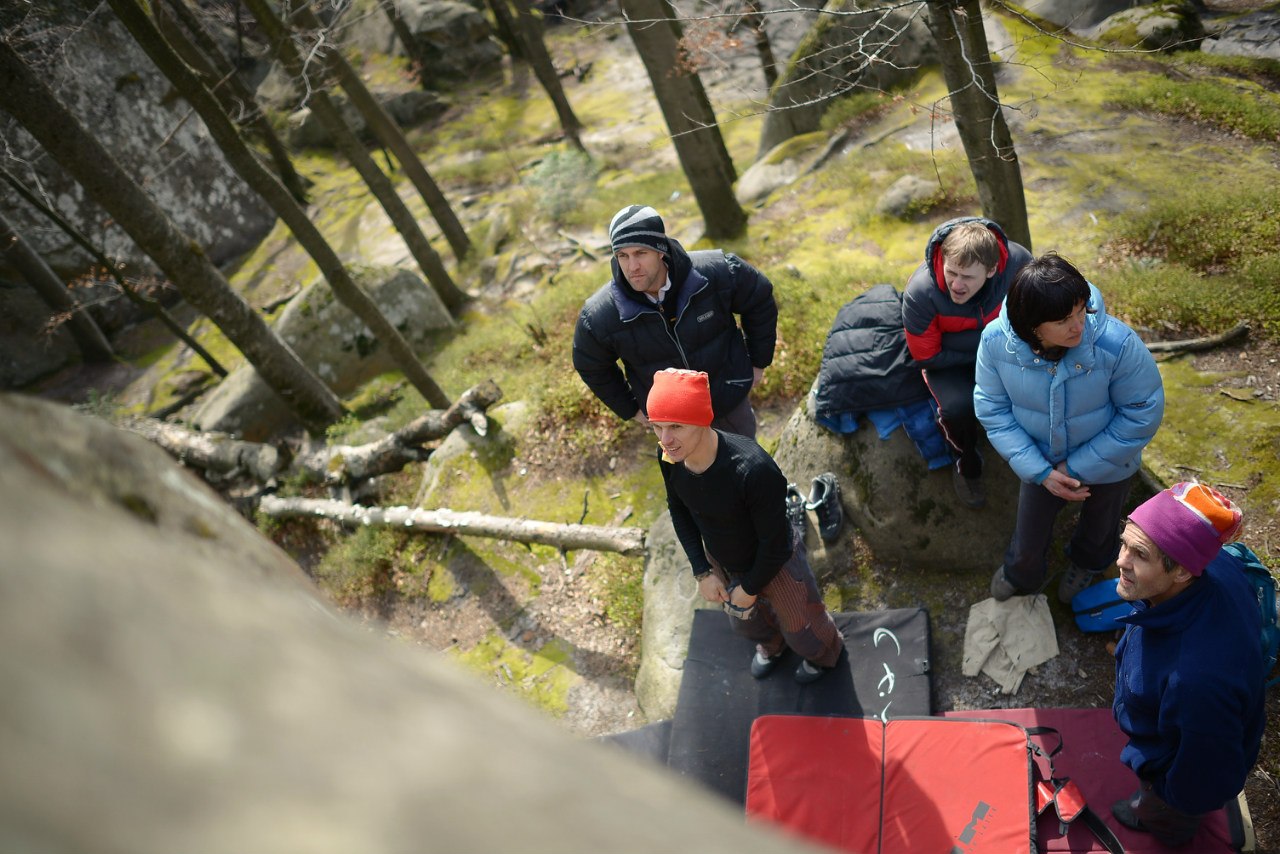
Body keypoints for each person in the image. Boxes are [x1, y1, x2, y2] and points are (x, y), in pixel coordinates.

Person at [975, 252, 1164, 603]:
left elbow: (1142, 411)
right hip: (1041, 460)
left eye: (1082, 311)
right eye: (1064, 320)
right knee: (1028, 531)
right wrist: (1042, 472)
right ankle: (1022, 573)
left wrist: (1076, 468)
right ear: (1032, 326)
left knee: (1101, 526)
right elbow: (992, 409)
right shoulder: (994, 342)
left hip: (1111, 460)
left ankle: (1088, 563)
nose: (1079, 326)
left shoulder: (1116, 343)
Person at [647, 368, 844, 683]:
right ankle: (772, 645)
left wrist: (750, 587)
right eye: (657, 428)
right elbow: (679, 508)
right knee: (745, 624)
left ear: (702, 420)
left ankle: (824, 656)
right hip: (723, 558)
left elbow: (777, 543)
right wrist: (702, 570)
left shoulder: (753, 469)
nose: (665, 440)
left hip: (776, 561)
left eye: (675, 426)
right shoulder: (669, 456)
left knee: (801, 626)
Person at [1111, 482, 1265, 847]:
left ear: (1181, 571)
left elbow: (1204, 772)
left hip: (1172, 770)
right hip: (1183, 724)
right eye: (1124, 543)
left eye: (1140, 555)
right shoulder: (1215, 562)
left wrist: (1167, 794)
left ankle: (1165, 825)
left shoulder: (1196, 680)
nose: (1120, 561)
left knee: (1175, 811)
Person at [572, 205, 777, 438]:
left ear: (661, 250)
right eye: (623, 256)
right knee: (691, 475)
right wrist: (631, 409)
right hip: (671, 425)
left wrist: (758, 361)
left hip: (729, 401)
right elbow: (590, 364)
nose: (632, 267)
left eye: (641, 253)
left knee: (748, 470)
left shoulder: (717, 272)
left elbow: (759, 299)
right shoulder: (600, 315)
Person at [902, 217, 1032, 507]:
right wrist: (982, 353)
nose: (956, 285)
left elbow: (1034, 314)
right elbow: (925, 356)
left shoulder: (1019, 265)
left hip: (1004, 348)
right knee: (958, 410)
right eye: (951, 272)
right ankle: (967, 464)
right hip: (947, 364)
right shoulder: (921, 293)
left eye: (968, 277)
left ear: (991, 269)